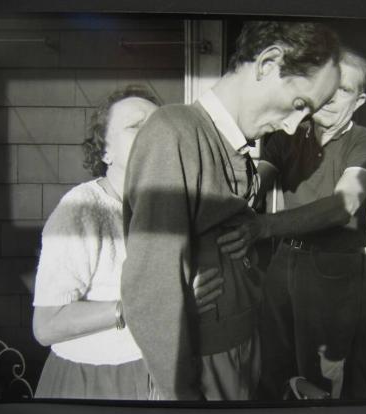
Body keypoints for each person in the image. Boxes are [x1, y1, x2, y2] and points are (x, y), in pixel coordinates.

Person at [120, 21, 341, 400]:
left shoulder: (233, 146)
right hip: (203, 364)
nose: (291, 128)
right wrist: (182, 395)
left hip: (240, 350)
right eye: (299, 105)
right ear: (268, 63)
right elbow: (150, 288)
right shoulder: (174, 132)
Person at [32, 87, 223, 399]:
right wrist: (149, 305)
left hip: (159, 372)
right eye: (135, 126)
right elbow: (46, 325)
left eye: (159, 126)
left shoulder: (173, 205)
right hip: (96, 381)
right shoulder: (82, 208)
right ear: (105, 152)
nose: (152, 133)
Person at [217, 48, 366, 399]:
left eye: (345, 90)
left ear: (360, 100)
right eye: (327, 86)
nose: (329, 97)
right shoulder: (286, 136)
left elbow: (344, 205)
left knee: (321, 374)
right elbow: (257, 184)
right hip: (283, 261)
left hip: (332, 272)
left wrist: (262, 227)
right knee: (273, 362)